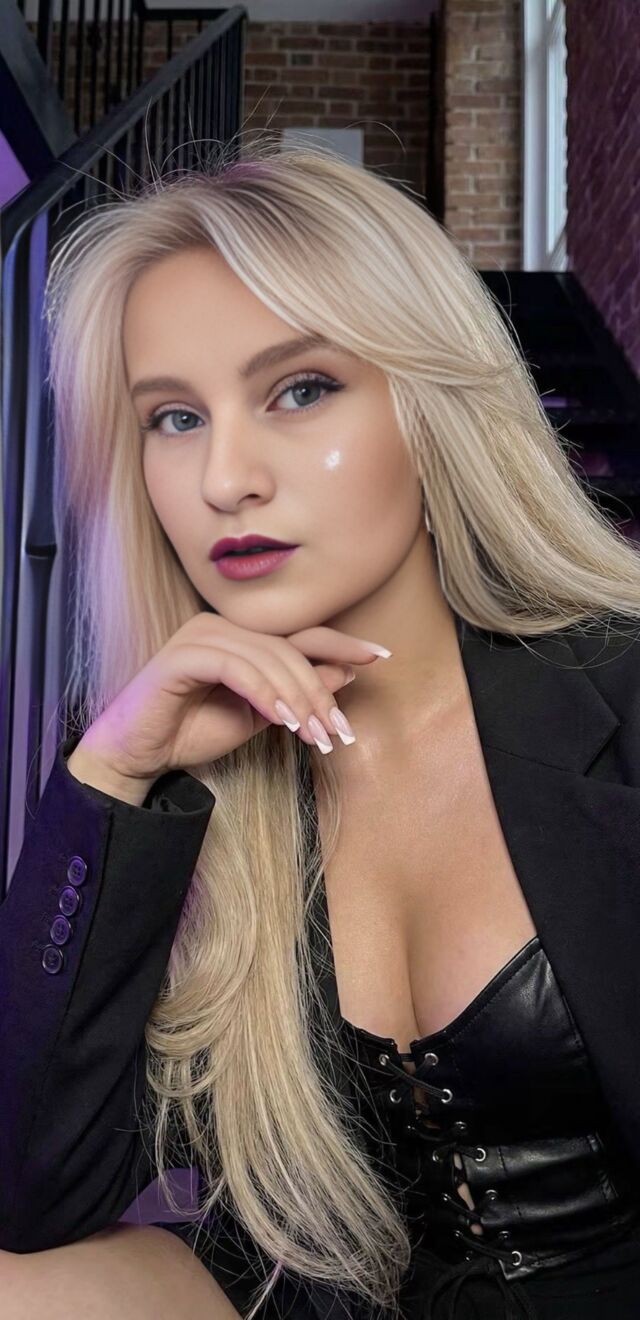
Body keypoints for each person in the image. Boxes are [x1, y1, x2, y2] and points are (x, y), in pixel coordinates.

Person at [3, 138, 640, 1320]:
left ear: (430, 405)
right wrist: (114, 775)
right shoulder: (187, 775)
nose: (225, 479)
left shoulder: (620, 691)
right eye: (174, 417)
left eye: (299, 390)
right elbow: (30, 1192)